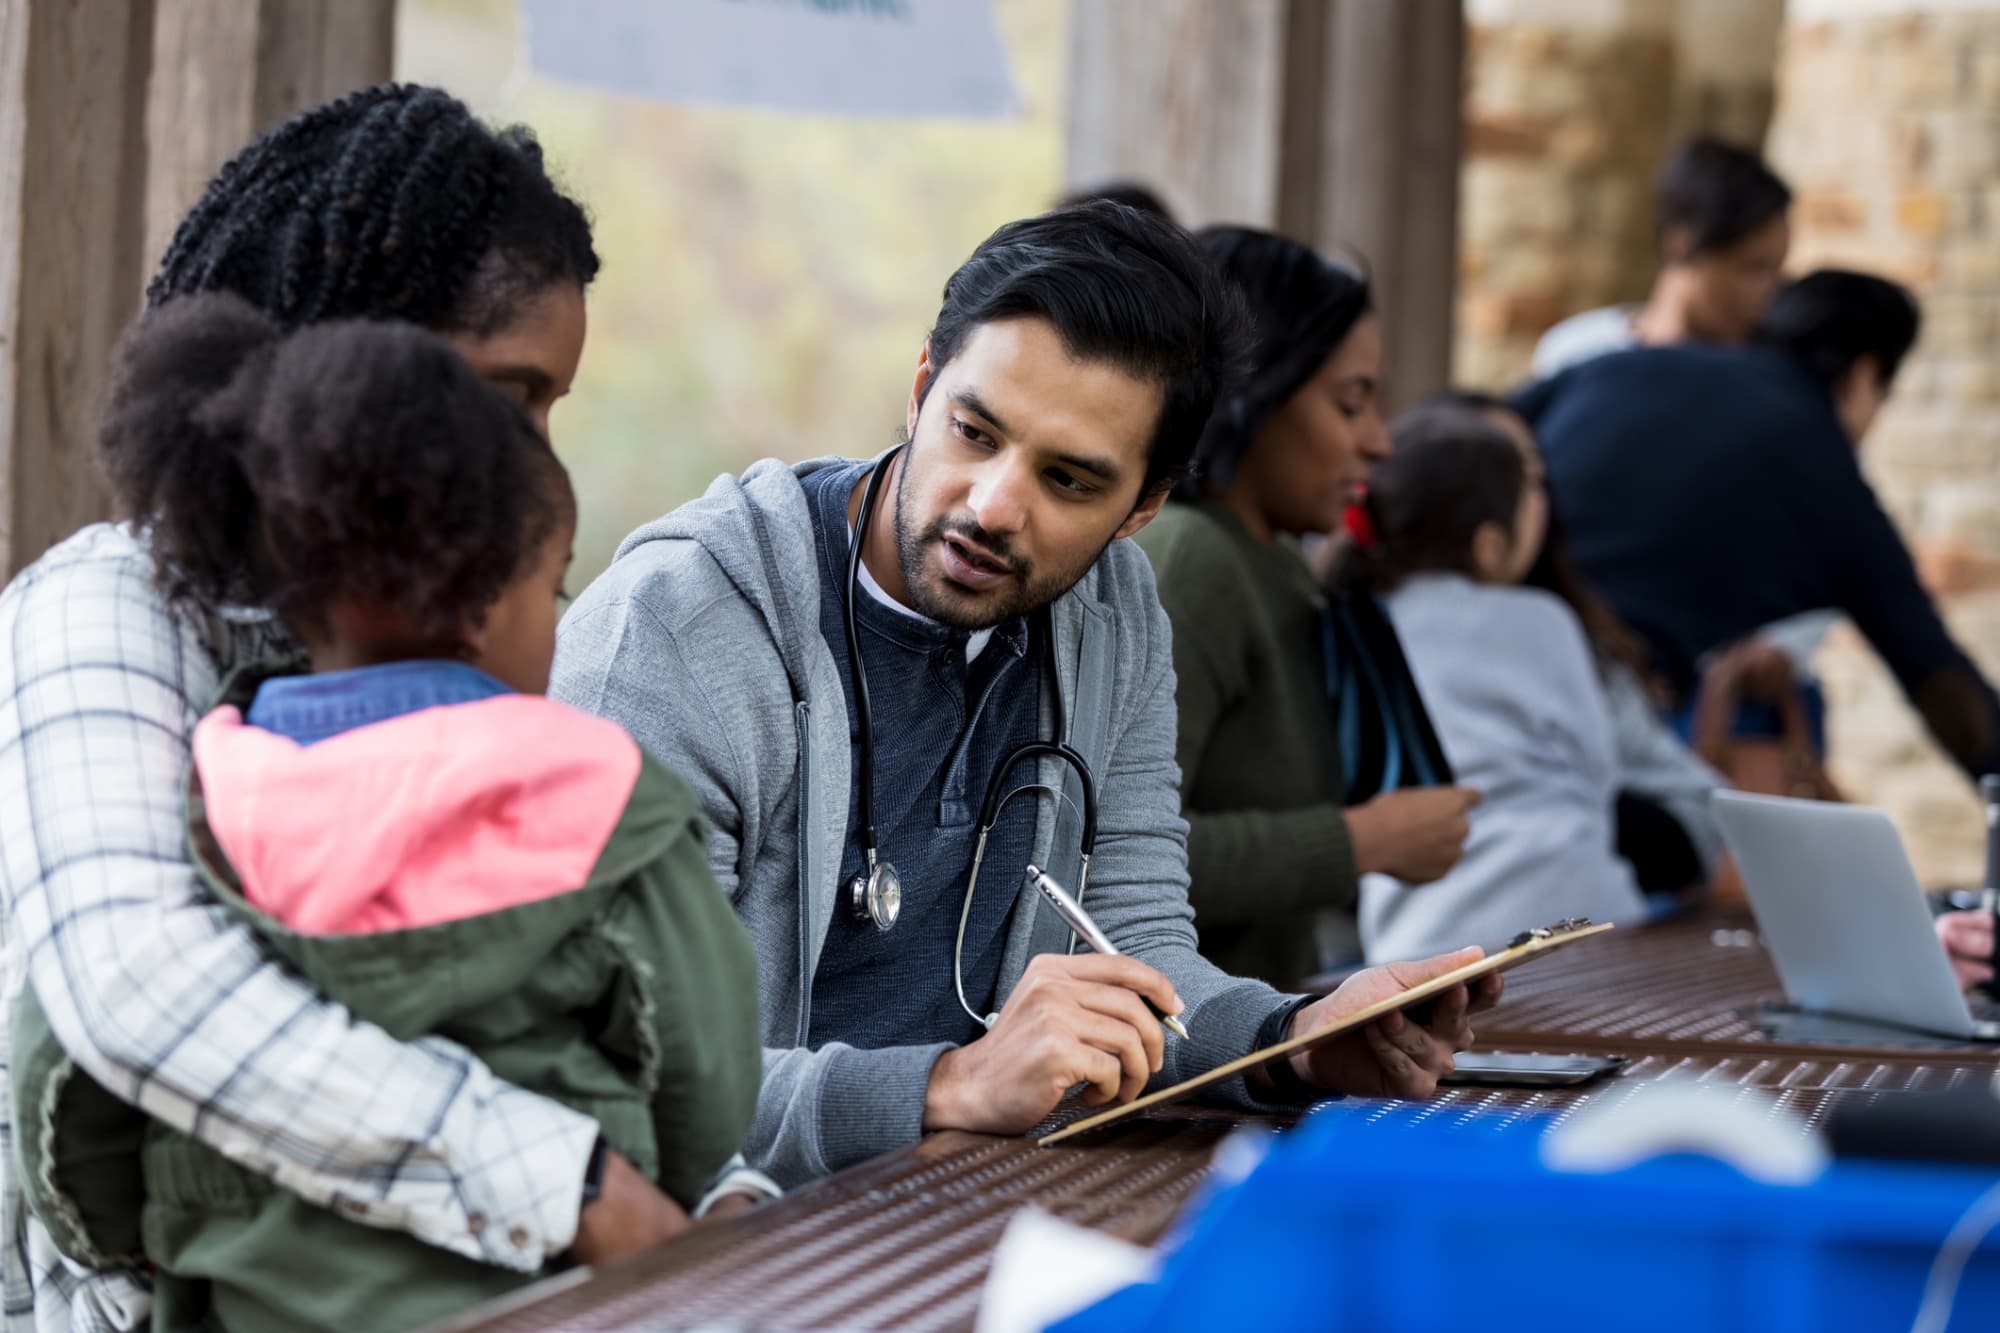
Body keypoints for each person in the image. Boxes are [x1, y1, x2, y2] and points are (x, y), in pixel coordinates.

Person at [551, 203, 1502, 1188]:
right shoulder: (679, 626)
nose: (993, 505)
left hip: (975, 1204)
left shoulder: (1112, 609)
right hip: (723, 1250)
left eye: (1069, 480)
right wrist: (947, 1085)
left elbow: (1137, 949)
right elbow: (615, 1071)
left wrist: (1289, 1040)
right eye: (973, 431)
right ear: (921, 386)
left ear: (1141, 508)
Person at [0, 85, 719, 1333]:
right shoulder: (103, 608)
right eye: (508, 403)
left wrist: (682, 1189)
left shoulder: (463, 641)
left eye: (551, 414)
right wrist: (568, 1183)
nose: (539, 462)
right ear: (340, 366)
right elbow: (144, 990)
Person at [1131, 227, 1472, 986]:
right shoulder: (1190, 559)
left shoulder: (1280, 562)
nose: (1381, 442)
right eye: (1351, 404)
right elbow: (1112, 862)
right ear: (1253, 393)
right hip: (1177, 1068)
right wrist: (1358, 842)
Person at [1515, 269, 2000, 786]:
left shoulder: (1616, 367)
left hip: (1464, 656)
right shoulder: (1829, 481)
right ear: (1865, 375)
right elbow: (1941, 683)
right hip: (1579, 719)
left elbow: (1468, 429)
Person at [1331, 401, 1654, 960]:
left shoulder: (1350, 626)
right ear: (1489, 544)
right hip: (1586, 924)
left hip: (1421, 947)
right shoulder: (1544, 619)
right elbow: (1597, 773)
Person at [1430, 392, 1726, 899]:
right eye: (1493, 474)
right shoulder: (1361, 635)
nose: (1522, 498)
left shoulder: (1567, 634)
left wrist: (1569, 818)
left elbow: (1698, 806)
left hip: (1575, 929)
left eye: (1531, 476)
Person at [1532, 136, 1791, 378]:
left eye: (1777, 270)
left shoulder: (1767, 374)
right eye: (1754, 268)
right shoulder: (1580, 353)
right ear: (1682, 244)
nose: (1771, 289)